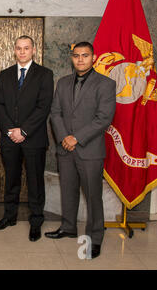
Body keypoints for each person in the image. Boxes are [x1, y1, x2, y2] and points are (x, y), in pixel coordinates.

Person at [45, 42, 116, 259]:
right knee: (68, 190)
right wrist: (65, 137)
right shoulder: (63, 82)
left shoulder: (106, 84)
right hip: (65, 148)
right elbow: (55, 113)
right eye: (76, 56)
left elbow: (104, 118)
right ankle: (68, 227)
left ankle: (94, 238)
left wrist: (77, 137)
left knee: (93, 196)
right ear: (72, 58)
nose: (80, 59)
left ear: (93, 57)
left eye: (85, 55)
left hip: (90, 150)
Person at [0, 35, 54, 242]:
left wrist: (24, 131)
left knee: (35, 182)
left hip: (34, 138)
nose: (22, 52)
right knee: (11, 180)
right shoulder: (5, 74)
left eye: (26, 48)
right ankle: (9, 217)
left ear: (33, 50)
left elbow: (43, 107)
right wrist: (11, 130)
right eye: (19, 48)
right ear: (14, 50)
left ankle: (36, 221)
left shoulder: (44, 74)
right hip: (9, 138)